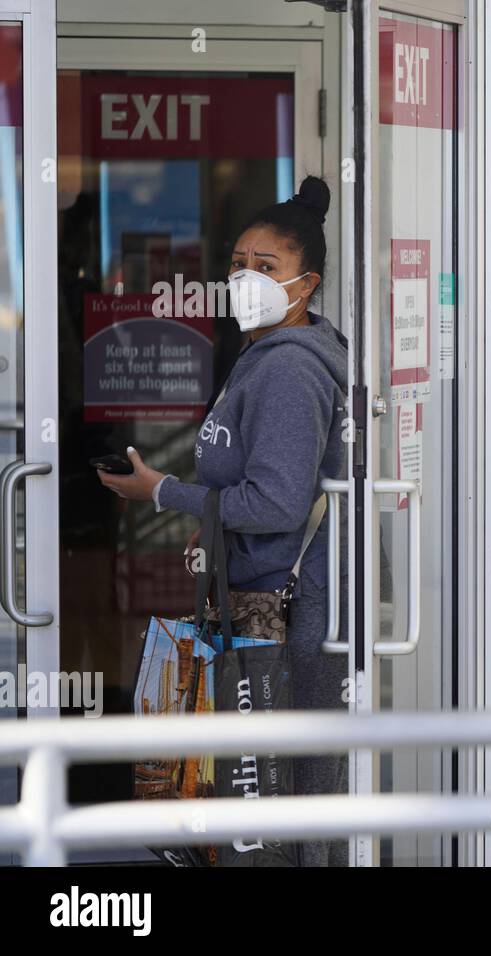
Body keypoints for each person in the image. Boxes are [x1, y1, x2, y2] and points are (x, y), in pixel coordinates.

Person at [97, 175, 349, 867]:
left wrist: (161, 492)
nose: (246, 278)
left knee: (284, 805)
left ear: (307, 282)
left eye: (266, 268)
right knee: (262, 798)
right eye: (238, 264)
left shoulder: (290, 372)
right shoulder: (263, 355)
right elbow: (249, 489)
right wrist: (209, 526)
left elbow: (276, 504)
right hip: (261, 604)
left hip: (291, 618)